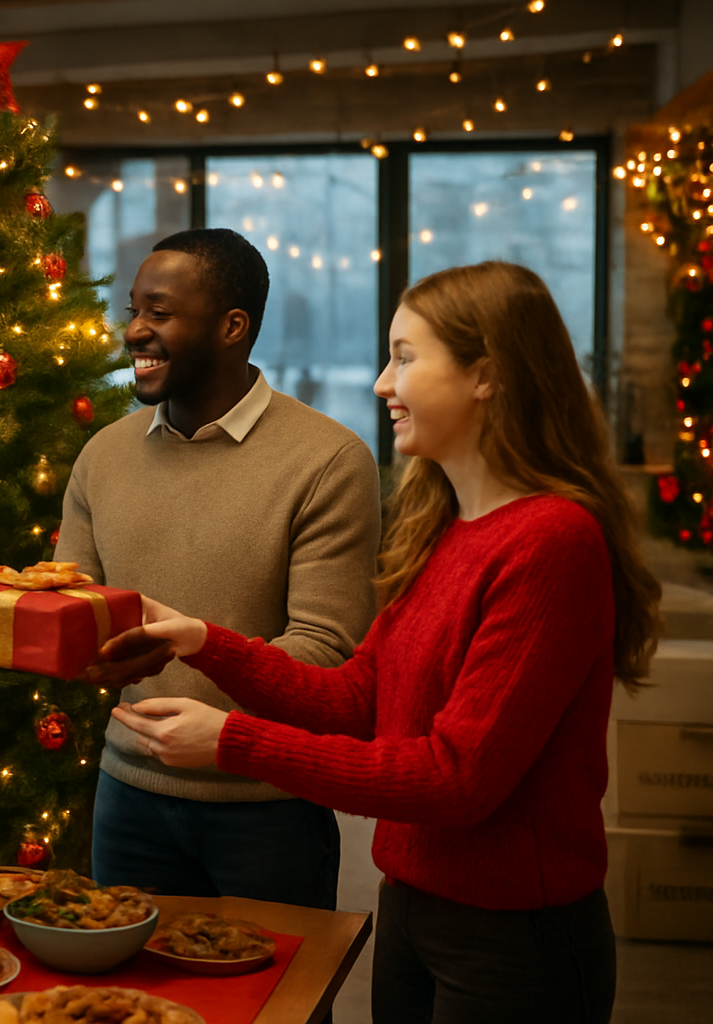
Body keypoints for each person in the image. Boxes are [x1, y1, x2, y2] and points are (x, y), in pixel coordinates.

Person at [89, 261, 659, 1023]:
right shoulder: (444, 530)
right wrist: (200, 641)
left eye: (406, 357)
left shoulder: (552, 542)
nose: (383, 385)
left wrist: (234, 742)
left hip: (516, 940)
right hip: (414, 912)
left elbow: (456, 778)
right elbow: (357, 700)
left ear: (486, 375)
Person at [54, 227, 381, 911]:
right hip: (126, 796)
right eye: (132, 312)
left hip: (265, 807)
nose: (135, 333)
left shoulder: (327, 461)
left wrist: (217, 729)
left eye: (160, 314)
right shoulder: (103, 456)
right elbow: (74, 611)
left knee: (275, 1009)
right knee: (131, 1010)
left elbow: (326, 654)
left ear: (234, 327)